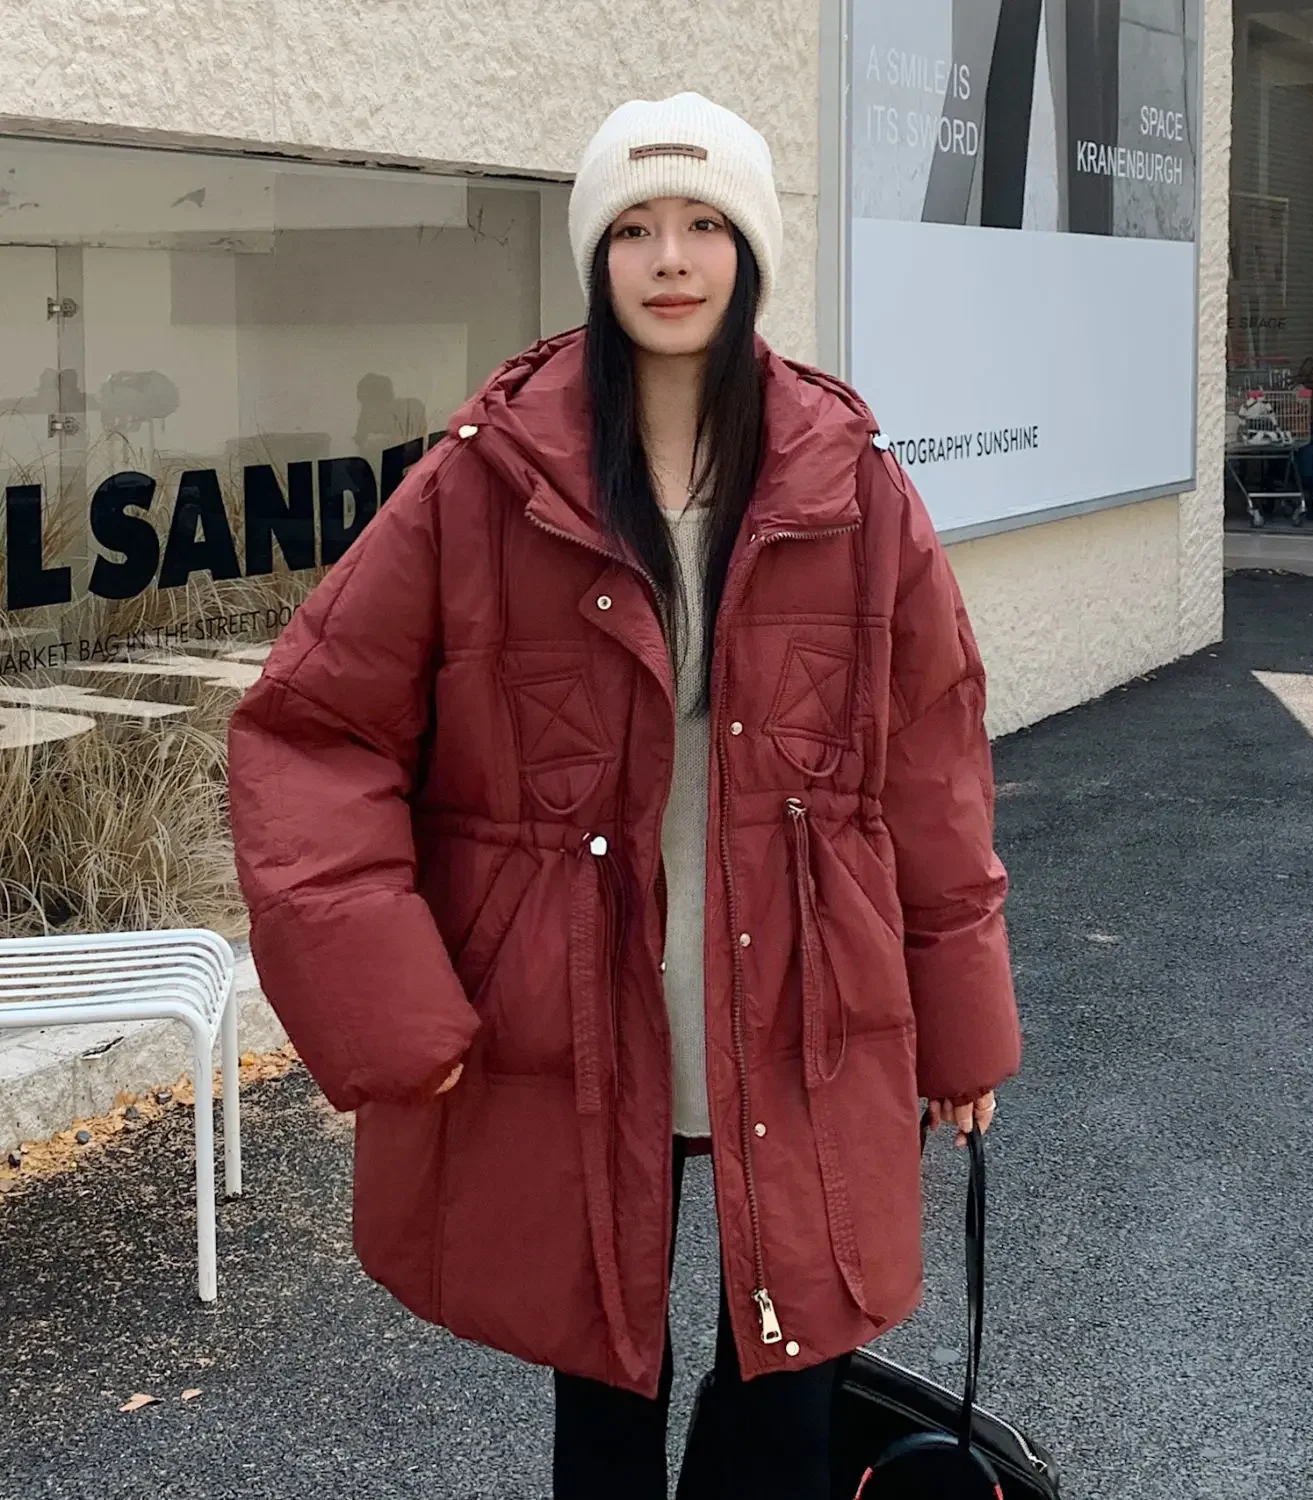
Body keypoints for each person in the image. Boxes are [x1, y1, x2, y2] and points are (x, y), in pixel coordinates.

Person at [227, 92, 1021, 1500]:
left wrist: (961, 1025)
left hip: (800, 994)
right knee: (602, 1381)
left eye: (705, 224)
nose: (671, 258)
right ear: (595, 257)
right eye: (637, 228)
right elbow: (309, 732)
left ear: (750, 251)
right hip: (578, 1007)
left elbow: (932, 760)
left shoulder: (854, 484)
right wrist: (392, 1008)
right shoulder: (486, 484)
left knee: (789, 1374)